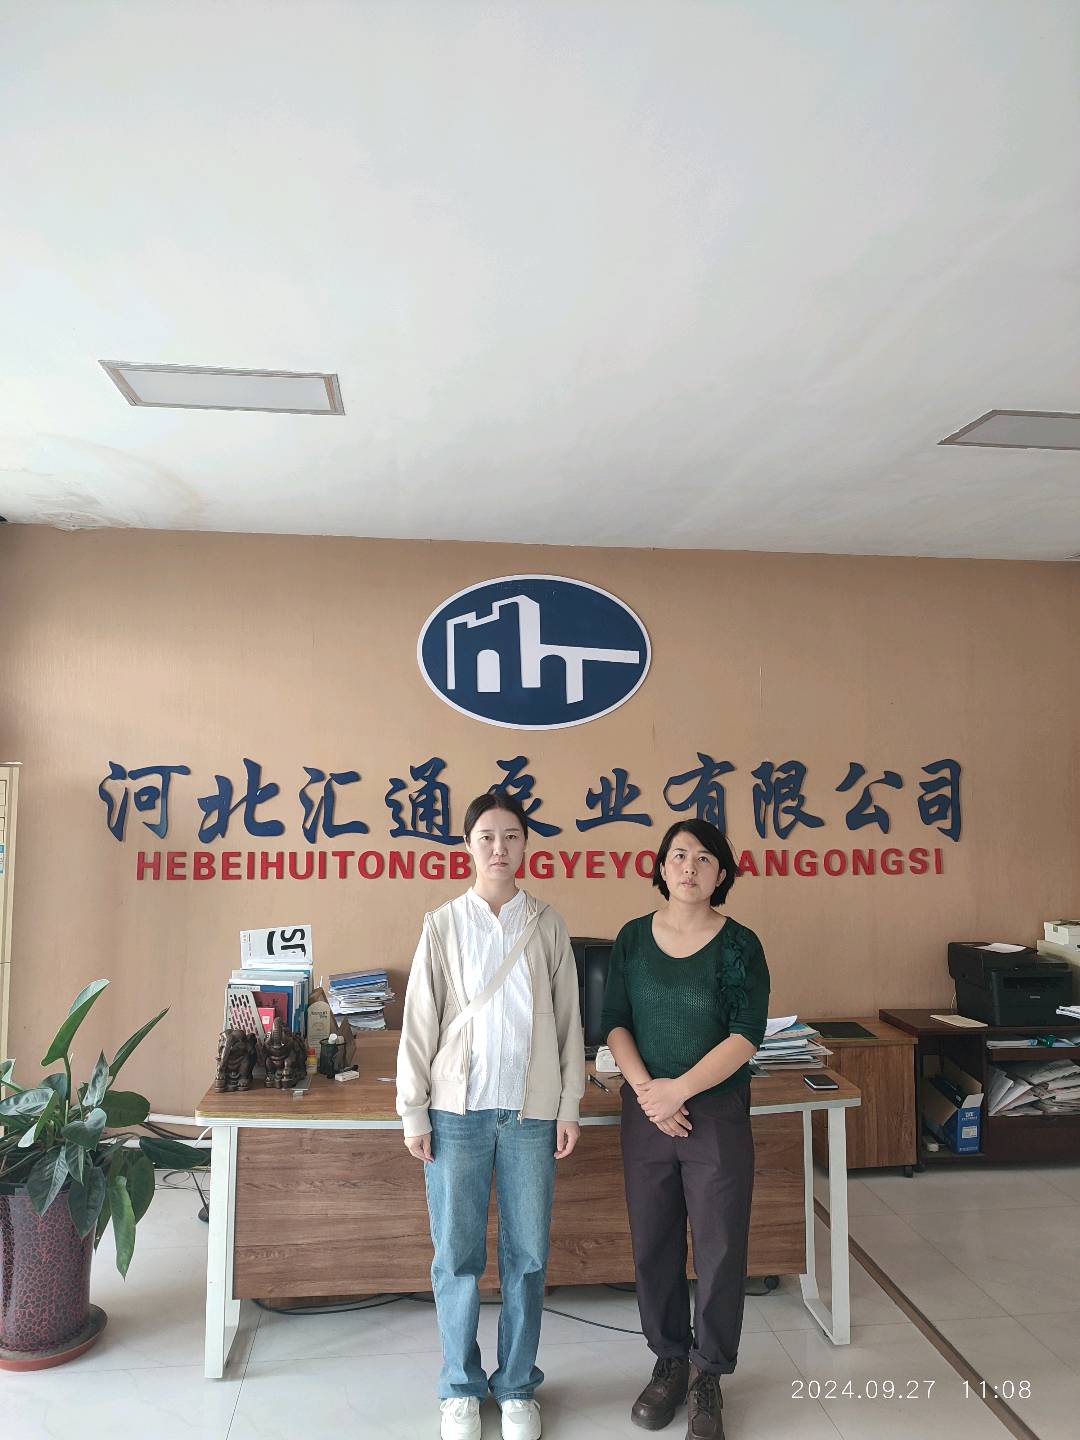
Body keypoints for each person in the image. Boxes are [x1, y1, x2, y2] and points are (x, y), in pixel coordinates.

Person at [396, 790, 586, 1440]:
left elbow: (570, 1026)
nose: (499, 848)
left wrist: (568, 1104)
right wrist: (413, 1111)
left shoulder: (547, 925)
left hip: (530, 1116)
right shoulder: (443, 924)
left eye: (510, 836)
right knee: (456, 1256)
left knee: (527, 1255)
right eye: (486, 837)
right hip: (457, 1114)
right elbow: (419, 1023)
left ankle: (516, 1386)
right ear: (468, 846)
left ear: (525, 844)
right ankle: (459, 1386)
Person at [601, 818, 770, 1440]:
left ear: (721, 873)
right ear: (661, 866)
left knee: (720, 1246)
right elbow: (614, 1021)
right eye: (678, 855)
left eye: (703, 858)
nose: (689, 867)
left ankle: (709, 1375)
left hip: (715, 1113)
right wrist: (651, 1093)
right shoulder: (632, 938)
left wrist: (680, 1090)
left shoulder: (740, 944)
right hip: (648, 1112)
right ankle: (669, 1361)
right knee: (654, 1241)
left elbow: (746, 1034)